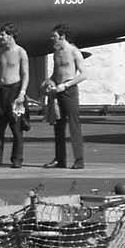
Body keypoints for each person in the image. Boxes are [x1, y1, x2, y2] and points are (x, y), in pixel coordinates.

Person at [0, 23, 28, 168]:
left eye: (3, 35)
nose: (0, 37)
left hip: (14, 90)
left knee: (16, 127)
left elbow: (25, 74)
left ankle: (17, 158)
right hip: (0, 90)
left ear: (11, 35)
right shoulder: (1, 51)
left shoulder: (21, 52)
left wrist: (22, 93)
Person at [43, 24, 86, 170]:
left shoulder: (73, 51)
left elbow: (84, 74)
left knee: (74, 124)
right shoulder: (56, 53)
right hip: (58, 90)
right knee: (58, 124)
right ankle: (60, 159)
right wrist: (50, 82)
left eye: (54, 36)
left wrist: (66, 85)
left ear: (62, 36)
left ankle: (79, 159)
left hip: (69, 90)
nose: (52, 39)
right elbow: (56, 73)